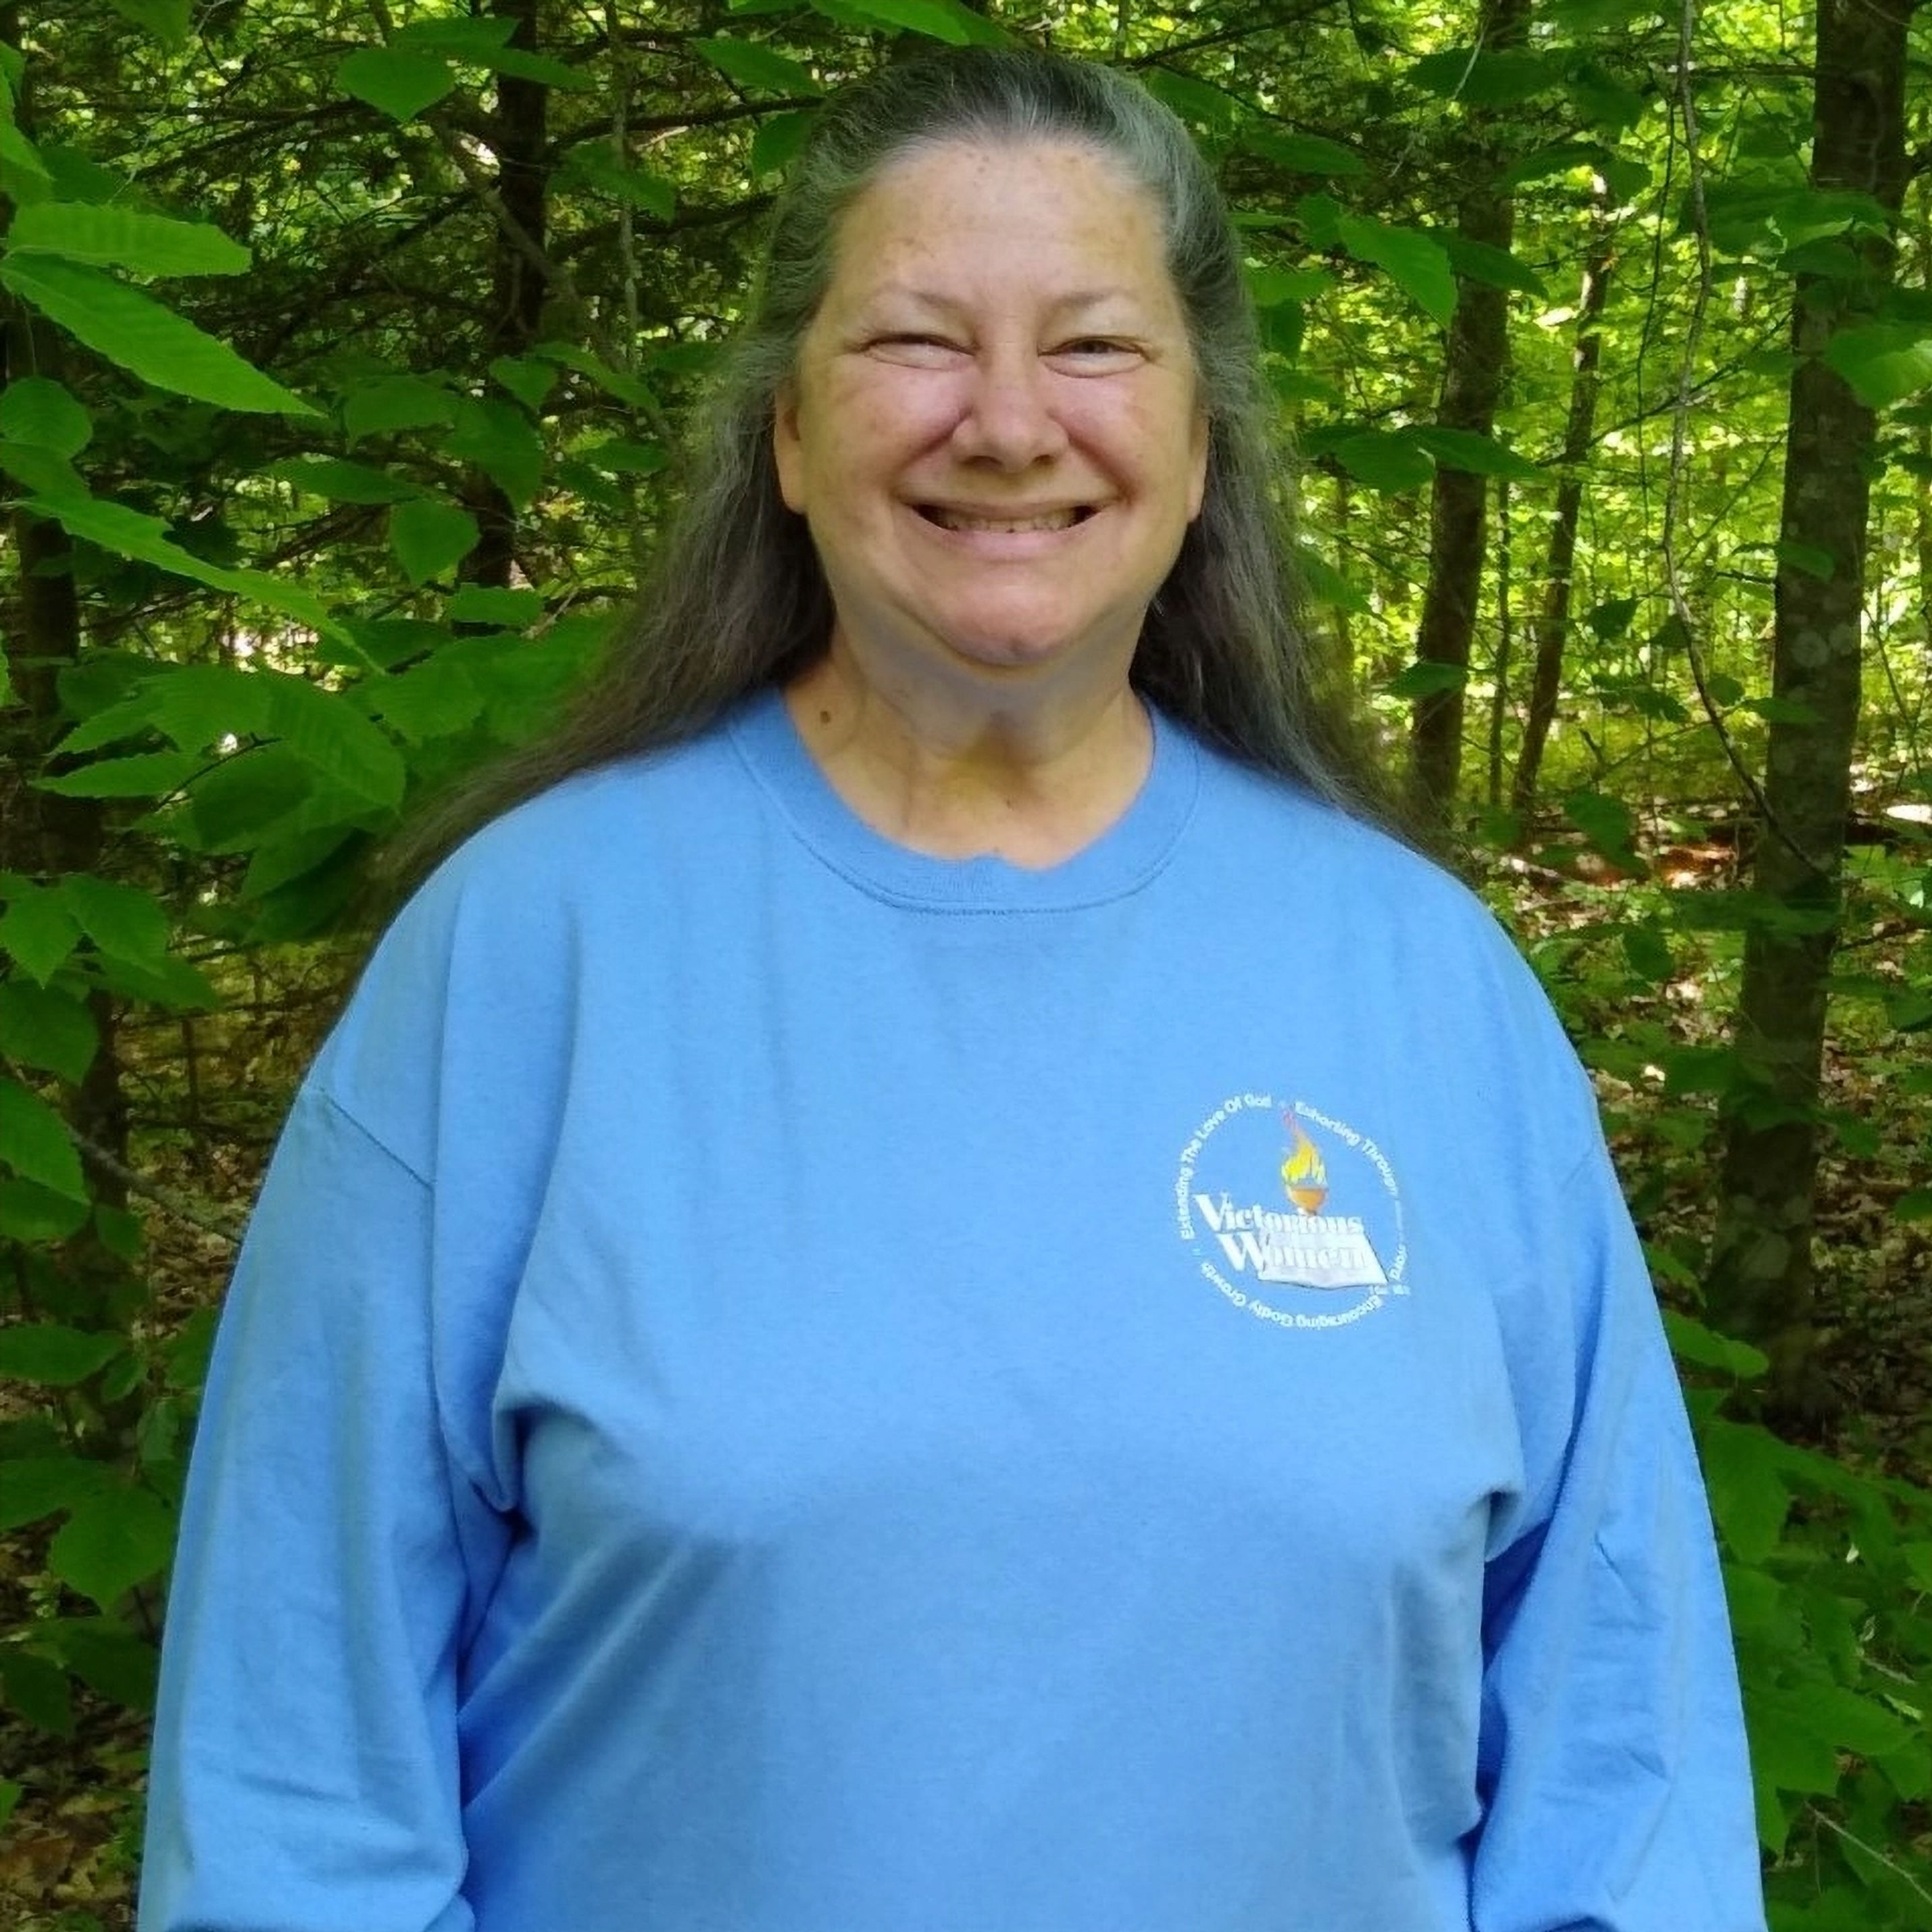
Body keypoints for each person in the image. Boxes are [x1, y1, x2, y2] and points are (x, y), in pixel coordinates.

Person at [139, 45, 1767, 1932]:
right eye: (915, 340)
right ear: (785, 434)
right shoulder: (528, 959)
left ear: (1201, 436)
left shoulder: (1422, 982)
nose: (1006, 423)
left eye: (1091, 347)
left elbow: (1615, 1779)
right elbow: (293, 1782)